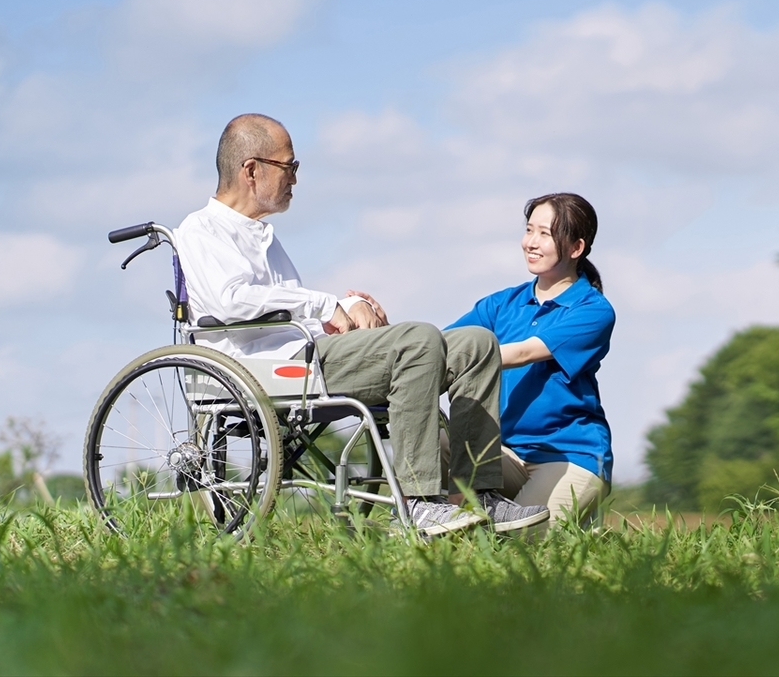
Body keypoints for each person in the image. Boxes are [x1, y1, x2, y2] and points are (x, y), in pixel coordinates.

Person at [174, 113, 548, 536]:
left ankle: (478, 494)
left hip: (307, 350)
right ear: (251, 169)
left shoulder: (262, 234)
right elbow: (231, 301)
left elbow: (295, 309)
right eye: (289, 166)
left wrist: (350, 306)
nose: (295, 178)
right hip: (269, 367)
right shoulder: (201, 230)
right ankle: (419, 502)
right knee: (418, 339)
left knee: (476, 344)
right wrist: (326, 304)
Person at [446, 193, 615, 525]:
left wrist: (469, 357)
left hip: (568, 457)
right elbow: (443, 347)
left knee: (515, 540)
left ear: (575, 248)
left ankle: (583, 529)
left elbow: (522, 353)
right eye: (529, 230)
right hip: (502, 454)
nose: (531, 243)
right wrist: (388, 335)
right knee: (437, 439)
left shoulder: (593, 311)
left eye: (546, 234)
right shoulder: (500, 305)